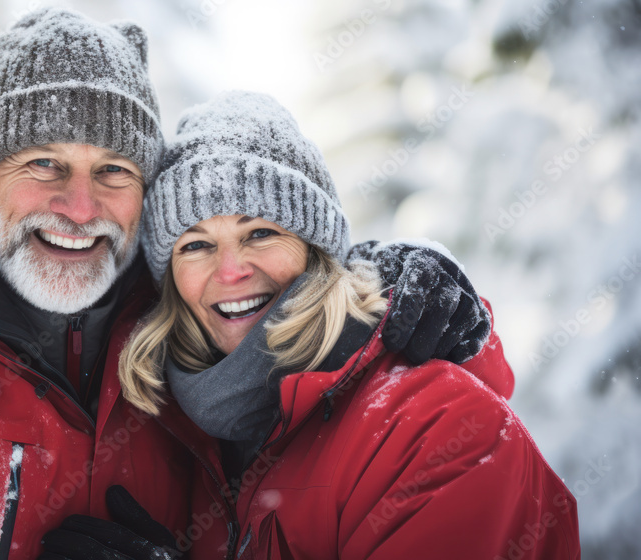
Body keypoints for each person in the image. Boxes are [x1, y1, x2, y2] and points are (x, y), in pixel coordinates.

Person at [0, 11, 494, 560]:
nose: (78, 207)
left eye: (113, 172)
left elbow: (347, 404)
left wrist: (384, 299)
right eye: (43, 166)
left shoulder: (187, 346)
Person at [39, 91, 580, 559]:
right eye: (197, 245)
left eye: (260, 234)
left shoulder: (430, 424)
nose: (230, 271)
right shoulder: (189, 437)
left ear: (318, 252)